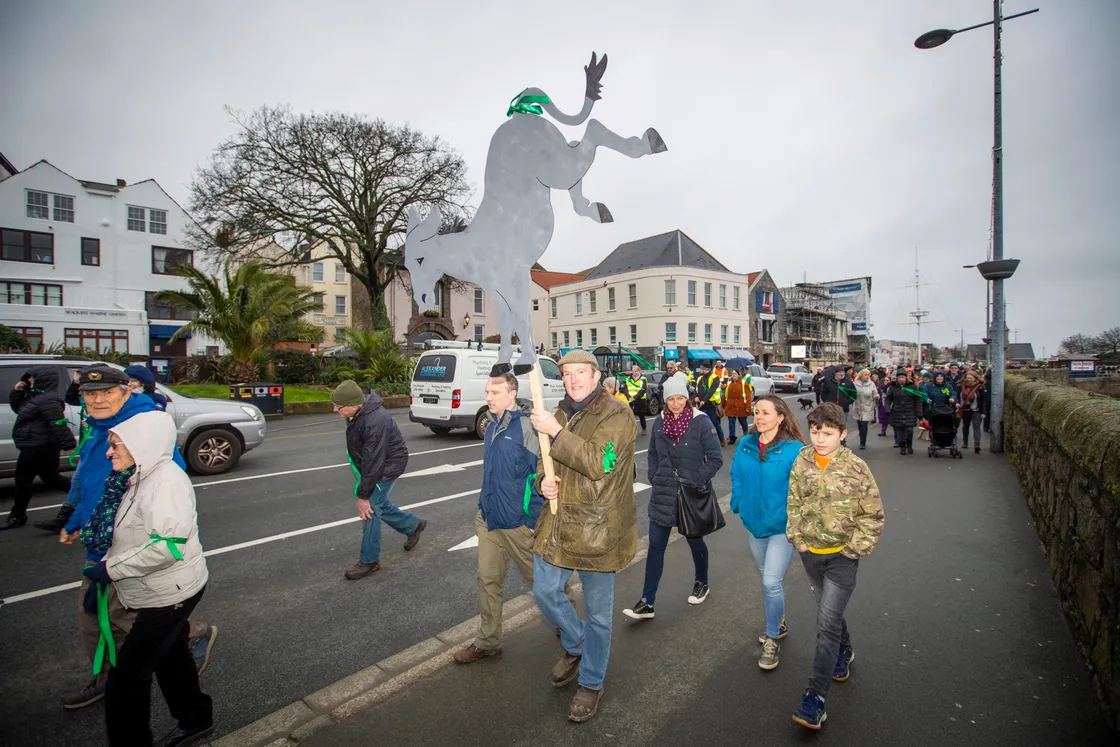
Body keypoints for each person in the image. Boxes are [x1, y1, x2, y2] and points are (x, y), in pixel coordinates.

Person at [59, 366, 216, 710]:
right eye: (90, 393)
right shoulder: (99, 427)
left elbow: (164, 489)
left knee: (125, 624)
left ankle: (123, 676)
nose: (97, 400)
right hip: (105, 540)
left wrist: (126, 545)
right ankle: (119, 674)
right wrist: (77, 519)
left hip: (131, 548)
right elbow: (91, 479)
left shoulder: (142, 427)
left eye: (107, 392)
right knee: (101, 615)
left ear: (126, 391)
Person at [85, 411, 212, 746]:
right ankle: (196, 719)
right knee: (170, 657)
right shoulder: (137, 474)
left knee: (125, 680)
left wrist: (110, 570)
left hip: (169, 594)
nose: (109, 452)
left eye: (116, 445)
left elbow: (168, 547)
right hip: (165, 589)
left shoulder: (164, 483)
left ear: (142, 445)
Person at [529, 350, 637, 723]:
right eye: (566, 374)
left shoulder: (618, 414)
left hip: (598, 528)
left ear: (595, 376)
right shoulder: (560, 412)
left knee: (600, 615)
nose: (572, 380)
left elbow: (597, 462)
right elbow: (545, 461)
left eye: (580, 373)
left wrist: (555, 431)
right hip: (559, 521)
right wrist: (542, 482)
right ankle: (577, 643)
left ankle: (591, 683)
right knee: (545, 592)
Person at [455, 371, 575, 664]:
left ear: (512, 394)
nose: (488, 397)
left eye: (494, 393)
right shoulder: (491, 425)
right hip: (489, 518)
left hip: (517, 524)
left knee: (546, 584)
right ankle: (488, 641)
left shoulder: (527, 427)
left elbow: (543, 472)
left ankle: (570, 625)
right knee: (487, 580)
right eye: (487, 392)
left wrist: (531, 520)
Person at [786, 403, 885, 730]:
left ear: (843, 434)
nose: (820, 439)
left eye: (828, 433)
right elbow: (794, 501)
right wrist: (798, 539)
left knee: (826, 622)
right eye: (815, 432)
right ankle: (845, 650)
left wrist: (853, 551)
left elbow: (873, 515)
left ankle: (815, 698)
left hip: (842, 558)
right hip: (810, 554)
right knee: (829, 612)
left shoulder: (856, 468)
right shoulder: (802, 460)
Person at [623, 375, 721, 621]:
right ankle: (647, 601)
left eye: (680, 398)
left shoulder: (701, 421)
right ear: (665, 400)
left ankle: (702, 582)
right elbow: (653, 454)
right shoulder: (660, 422)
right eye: (671, 399)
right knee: (655, 545)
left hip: (690, 493)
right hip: (663, 492)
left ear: (687, 398)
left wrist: (695, 480)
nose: (676, 403)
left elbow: (715, 458)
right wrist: (655, 475)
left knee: (694, 541)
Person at [729, 394, 806, 671]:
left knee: (771, 582)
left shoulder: (795, 450)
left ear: (780, 417)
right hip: (754, 523)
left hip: (781, 526)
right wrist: (738, 502)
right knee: (766, 578)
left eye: (765, 413)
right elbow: (736, 475)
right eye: (756, 412)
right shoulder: (746, 443)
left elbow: (804, 488)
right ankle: (779, 621)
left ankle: (772, 637)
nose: (759, 417)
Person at [332, 380, 426, 580]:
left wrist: (363, 496)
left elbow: (373, 462)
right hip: (377, 463)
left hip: (387, 465)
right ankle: (412, 525)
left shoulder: (374, 421)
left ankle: (369, 560)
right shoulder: (359, 411)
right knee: (380, 503)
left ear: (354, 405)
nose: (334, 410)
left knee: (371, 508)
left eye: (338, 407)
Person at [2, 366, 76, 530]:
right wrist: (17, 392)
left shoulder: (48, 399)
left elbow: (57, 422)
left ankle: (17, 516)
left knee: (23, 481)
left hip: (39, 446)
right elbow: (20, 410)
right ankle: (86, 496)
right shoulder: (37, 396)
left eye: (32, 377)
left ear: (44, 379)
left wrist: (69, 443)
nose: (29, 380)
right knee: (51, 478)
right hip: (39, 444)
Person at [884, 370, 925, 455]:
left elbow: (918, 400)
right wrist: (887, 409)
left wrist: (919, 413)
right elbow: (888, 399)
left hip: (910, 411)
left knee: (910, 430)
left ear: (906, 378)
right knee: (900, 431)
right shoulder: (893, 387)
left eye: (902, 377)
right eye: (899, 377)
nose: (901, 379)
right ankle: (902, 447)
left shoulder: (912, 386)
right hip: (897, 411)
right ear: (897, 378)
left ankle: (909, 445)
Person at [818, 366, 856, 446]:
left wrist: (847, 402)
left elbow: (853, 394)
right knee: (831, 425)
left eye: (843, 372)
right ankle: (831, 442)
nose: (842, 374)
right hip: (830, 409)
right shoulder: (828, 381)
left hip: (843, 409)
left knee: (842, 426)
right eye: (840, 372)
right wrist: (827, 402)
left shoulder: (848, 382)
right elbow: (823, 393)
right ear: (835, 373)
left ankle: (842, 443)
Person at [694, 362, 726, 446]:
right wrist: (696, 396)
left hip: (712, 405)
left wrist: (704, 400)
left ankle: (721, 439)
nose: (700, 370)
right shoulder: (700, 378)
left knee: (714, 424)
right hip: (701, 406)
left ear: (705, 370)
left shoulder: (715, 378)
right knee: (702, 424)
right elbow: (697, 389)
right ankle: (704, 441)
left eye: (701, 369)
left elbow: (711, 390)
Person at [958, 370, 987, 454]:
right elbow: (957, 396)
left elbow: (984, 400)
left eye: (971, 378)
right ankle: (965, 442)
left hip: (976, 410)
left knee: (976, 427)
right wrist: (957, 403)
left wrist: (984, 412)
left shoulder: (981, 387)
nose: (969, 380)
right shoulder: (961, 386)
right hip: (965, 410)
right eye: (967, 378)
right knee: (965, 426)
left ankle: (977, 445)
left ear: (975, 378)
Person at [851, 369, 879, 450]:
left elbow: (875, 393)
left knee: (864, 424)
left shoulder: (871, 384)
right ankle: (861, 437)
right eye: (865, 375)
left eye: (868, 375)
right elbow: (852, 393)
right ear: (861, 375)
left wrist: (876, 397)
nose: (867, 376)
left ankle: (862, 442)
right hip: (857, 407)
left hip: (867, 407)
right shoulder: (855, 384)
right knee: (860, 424)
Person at [722, 368, 752, 446]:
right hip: (730, 406)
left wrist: (748, 407)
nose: (733, 375)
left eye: (735, 373)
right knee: (731, 422)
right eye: (732, 373)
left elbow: (748, 396)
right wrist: (723, 405)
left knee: (743, 421)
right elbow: (725, 395)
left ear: (738, 375)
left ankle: (746, 434)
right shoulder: (729, 383)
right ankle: (732, 437)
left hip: (741, 406)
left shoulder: (743, 383)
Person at [619, 364, 649, 436]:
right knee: (630, 416)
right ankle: (631, 431)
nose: (635, 372)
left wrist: (635, 398)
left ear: (639, 371)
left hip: (640, 400)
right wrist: (629, 397)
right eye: (634, 371)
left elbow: (643, 390)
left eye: (636, 371)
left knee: (641, 416)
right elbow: (625, 389)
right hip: (630, 400)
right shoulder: (628, 379)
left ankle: (644, 428)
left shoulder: (643, 379)